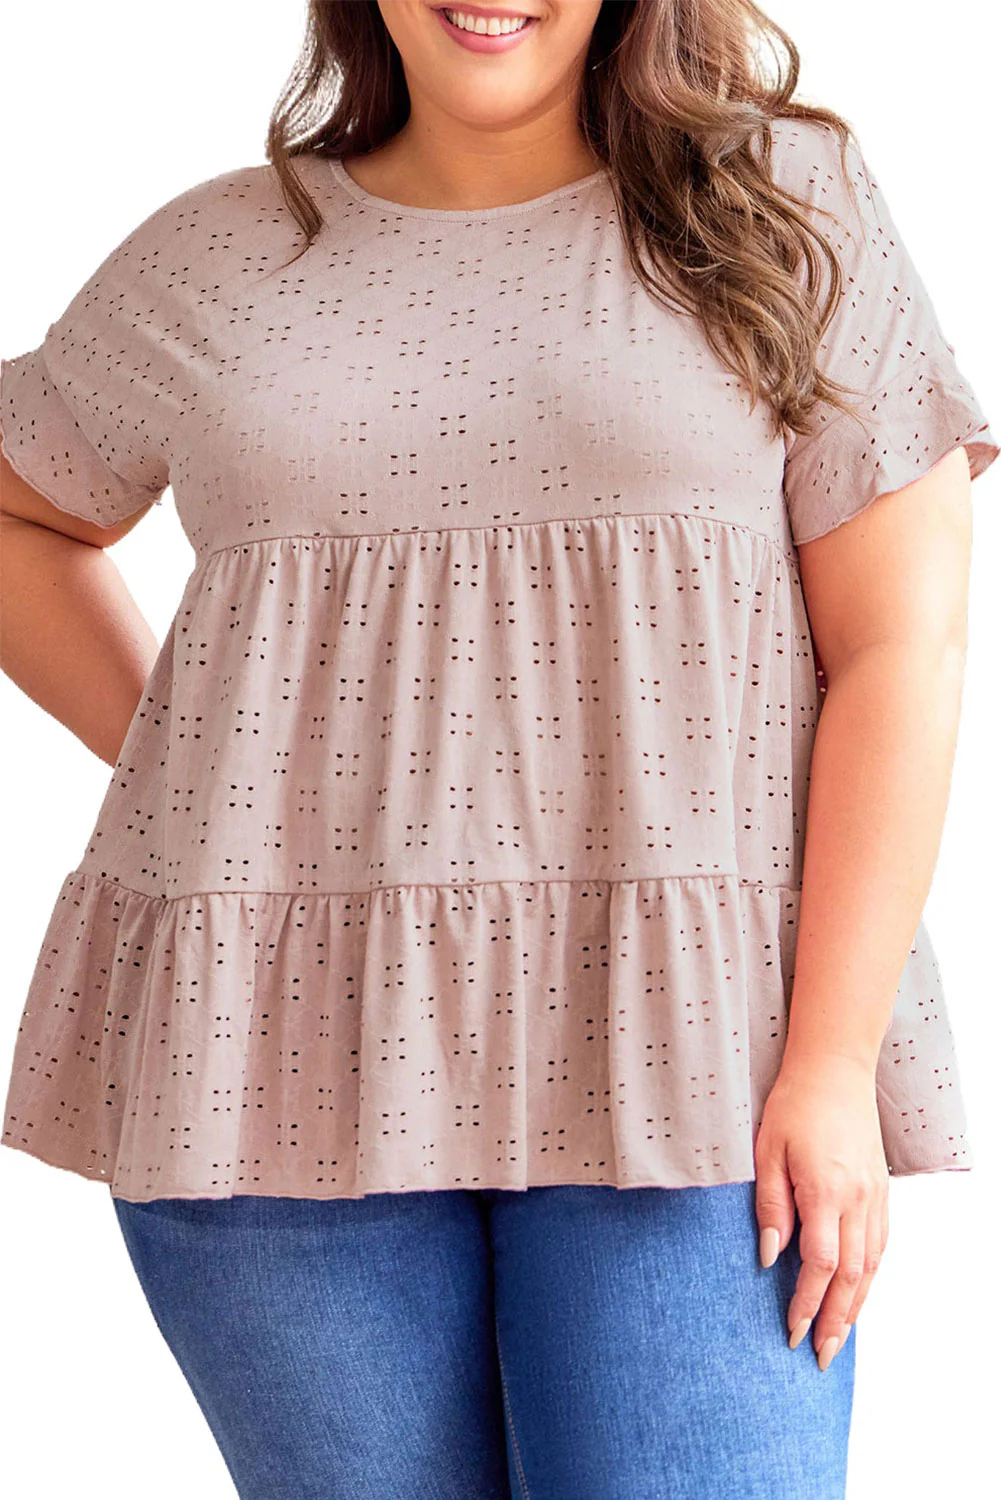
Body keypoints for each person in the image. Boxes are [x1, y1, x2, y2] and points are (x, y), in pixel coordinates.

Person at [1, 3, 996, 1496]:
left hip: (696, 1061)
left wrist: (834, 1063)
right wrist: (211, 763)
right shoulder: (220, 255)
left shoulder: (783, 208)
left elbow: (900, 652)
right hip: (272, 1074)